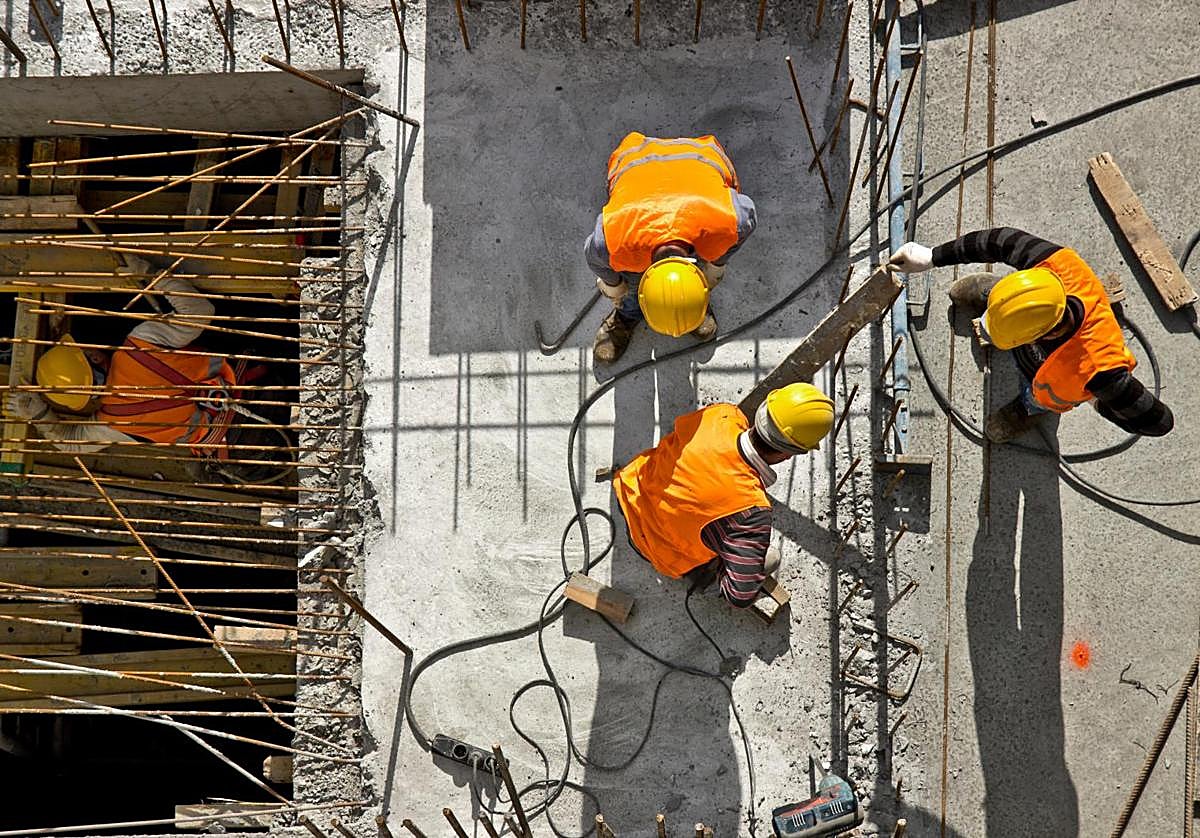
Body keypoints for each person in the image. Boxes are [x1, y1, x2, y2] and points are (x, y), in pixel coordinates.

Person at [889, 227, 1173, 442]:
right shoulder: (1056, 263)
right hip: (1026, 303)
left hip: (1046, 387)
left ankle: (1029, 409)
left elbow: (1159, 422)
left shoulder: (1101, 371)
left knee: (1037, 398)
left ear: (1039, 335)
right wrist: (931, 257)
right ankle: (997, 296)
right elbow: (998, 240)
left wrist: (1097, 400)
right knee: (986, 296)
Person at [611, 383, 834, 608]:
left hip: (631, 489)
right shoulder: (751, 512)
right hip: (655, 548)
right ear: (789, 453)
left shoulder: (723, 415)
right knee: (771, 558)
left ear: (762, 410)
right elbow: (739, 596)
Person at [5, 275, 238, 457]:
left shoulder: (114, 424)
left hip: (231, 440)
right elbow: (200, 311)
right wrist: (154, 276)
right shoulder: (140, 344)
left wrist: (38, 414)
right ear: (94, 358)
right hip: (253, 384)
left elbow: (70, 442)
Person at [584, 132, 757, 365]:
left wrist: (717, 265)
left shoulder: (728, 221)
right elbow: (593, 256)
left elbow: (747, 216)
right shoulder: (613, 241)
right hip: (637, 156)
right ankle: (628, 313)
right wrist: (615, 287)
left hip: (701, 154)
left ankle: (687, 305)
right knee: (629, 282)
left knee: (702, 257)